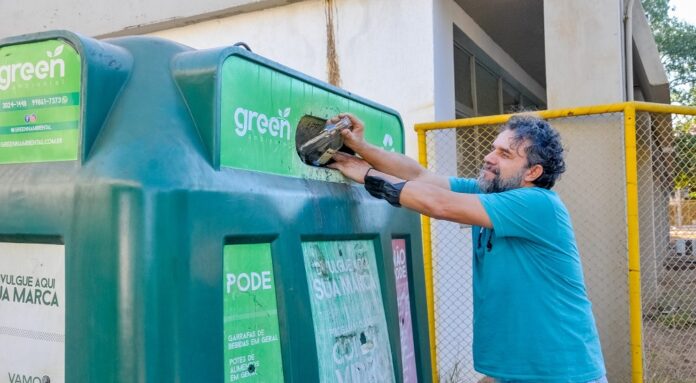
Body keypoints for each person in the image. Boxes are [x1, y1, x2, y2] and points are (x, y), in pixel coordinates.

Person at [328, 113, 607, 383]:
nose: (489, 157)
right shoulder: (486, 192)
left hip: (561, 372)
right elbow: (419, 175)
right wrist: (360, 147)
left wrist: (366, 174)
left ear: (533, 172)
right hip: (515, 370)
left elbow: (440, 203)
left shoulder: (539, 204)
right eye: (493, 149)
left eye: (505, 154)